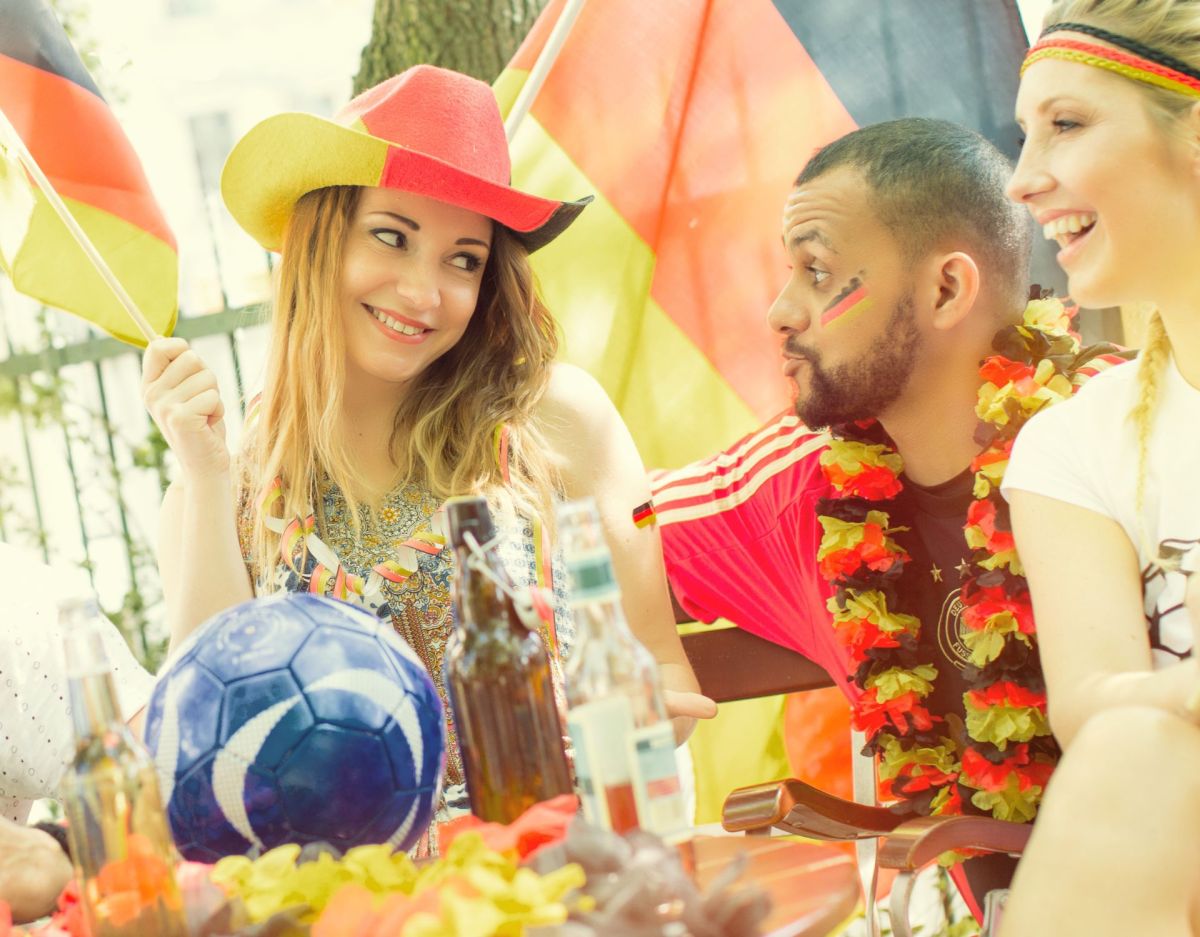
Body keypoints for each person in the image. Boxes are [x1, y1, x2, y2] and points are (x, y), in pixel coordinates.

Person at [140, 65, 714, 844]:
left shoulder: (557, 423)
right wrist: (206, 479)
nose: (423, 291)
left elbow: (664, 673)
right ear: (321, 239)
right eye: (392, 237)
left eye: (463, 259)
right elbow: (204, 755)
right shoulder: (226, 486)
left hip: (560, 882)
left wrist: (633, 718)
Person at [643, 115, 1129, 918]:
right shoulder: (800, 486)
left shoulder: (1123, 434)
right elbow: (601, 532)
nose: (779, 311)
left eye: (818, 271)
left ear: (945, 289)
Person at [983, 1, 1200, 932]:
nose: (1025, 180)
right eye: (1024, 136)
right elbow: (1097, 705)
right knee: (1132, 752)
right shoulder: (1072, 448)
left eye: (1066, 124)